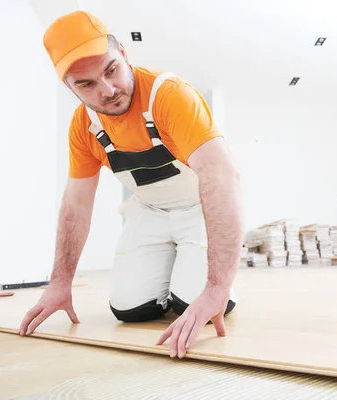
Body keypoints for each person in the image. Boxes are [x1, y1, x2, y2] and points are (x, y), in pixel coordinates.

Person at [18, 10, 244, 359]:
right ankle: (176, 263)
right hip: (148, 213)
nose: (107, 91)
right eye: (86, 84)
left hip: (198, 209)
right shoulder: (84, 127)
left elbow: (221, 177)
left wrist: (216, 287)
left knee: (194, 302)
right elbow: (76, 203)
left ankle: (211, 274)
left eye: (111, 70)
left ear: (123, 52)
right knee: (129, 309)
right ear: (68, 87)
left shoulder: (169, 96)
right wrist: (60, 282)